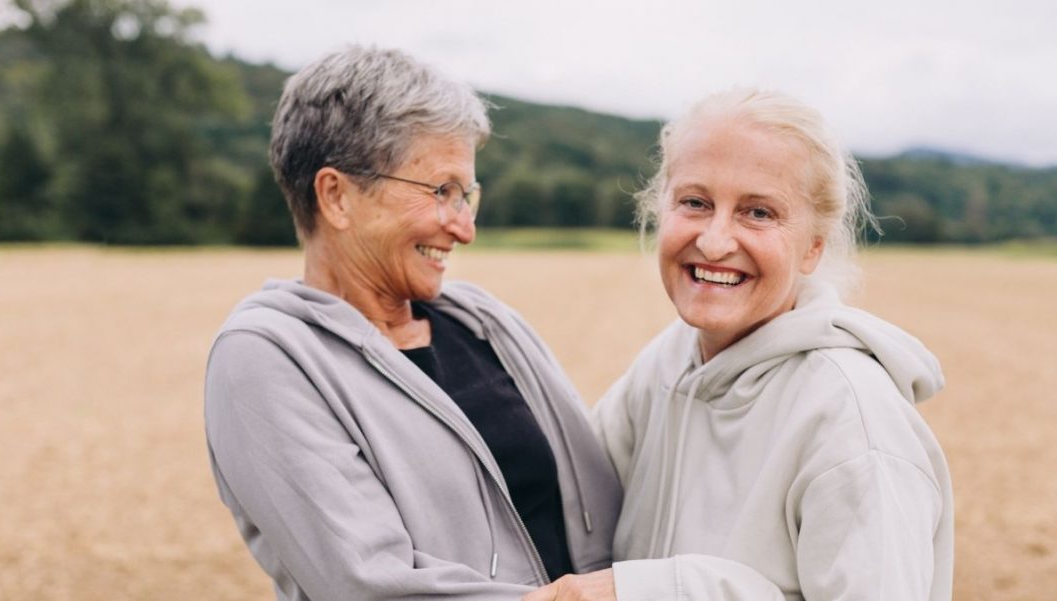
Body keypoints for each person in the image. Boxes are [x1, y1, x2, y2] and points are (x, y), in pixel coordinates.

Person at [203, 46, 621, 601]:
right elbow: (370, 585)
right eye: (441, 191)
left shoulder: (486, 322)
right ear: (337, 197)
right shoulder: (264, 359)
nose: (464, 227)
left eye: (467, 194)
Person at [524, 89, 953, 601]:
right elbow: (570, 505)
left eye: (759, 213)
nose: (714, 240)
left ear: (814, 245)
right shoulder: (669, 362)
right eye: (695, 203)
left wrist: (654, 591)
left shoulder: (854, 423)